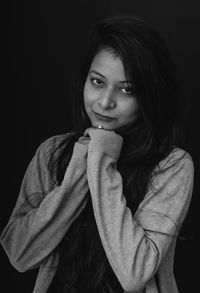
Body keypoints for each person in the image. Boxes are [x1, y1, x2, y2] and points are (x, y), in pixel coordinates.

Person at [0, 14, 194, 293]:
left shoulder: (172, 165)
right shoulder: (52, 152)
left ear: (149, 96)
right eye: (98, 82)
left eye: (127, 89)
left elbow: (135, 272)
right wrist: (80, 167)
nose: (105, 102)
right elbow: (19, 255)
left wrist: (101, 158)